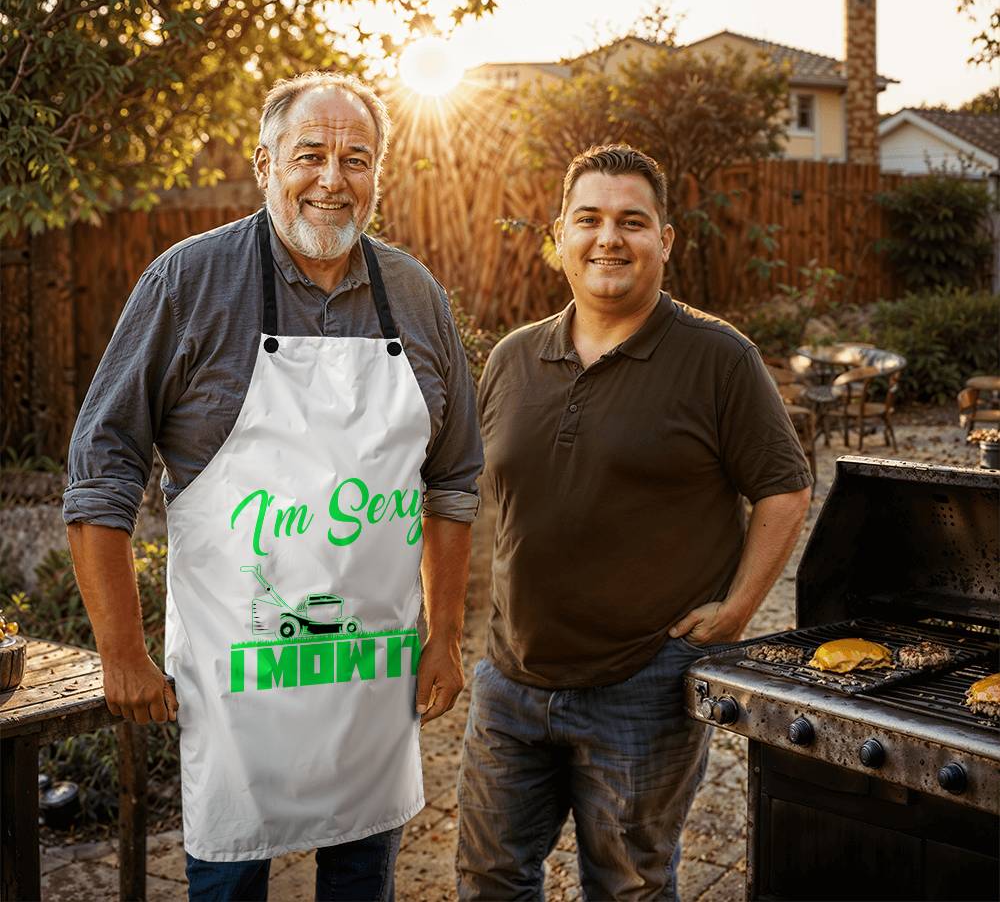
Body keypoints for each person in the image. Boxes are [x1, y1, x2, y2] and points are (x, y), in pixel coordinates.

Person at [64, 71, 483, 901]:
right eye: (311, 155)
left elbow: (454, 477)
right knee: (228, 881)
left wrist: (445, 634)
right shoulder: (187, 284)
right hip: (238, 684)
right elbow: (102, 466)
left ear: (378, 176)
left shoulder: (416, 296)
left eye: (356, 159)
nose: (333, 180)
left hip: (369, 682)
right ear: (264, 165)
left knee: (364, 875)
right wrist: (122, 652)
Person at [456, 144, 812, 901]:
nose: (608, 238)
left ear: (665, 241)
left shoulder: (719, 358)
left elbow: (785, 488)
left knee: (628, 887)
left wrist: (739, 608)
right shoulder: (514, 359)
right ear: (559, 237)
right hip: (510, 680)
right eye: (588, 219)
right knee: (489, 880)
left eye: (631, 221)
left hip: (642, 685)